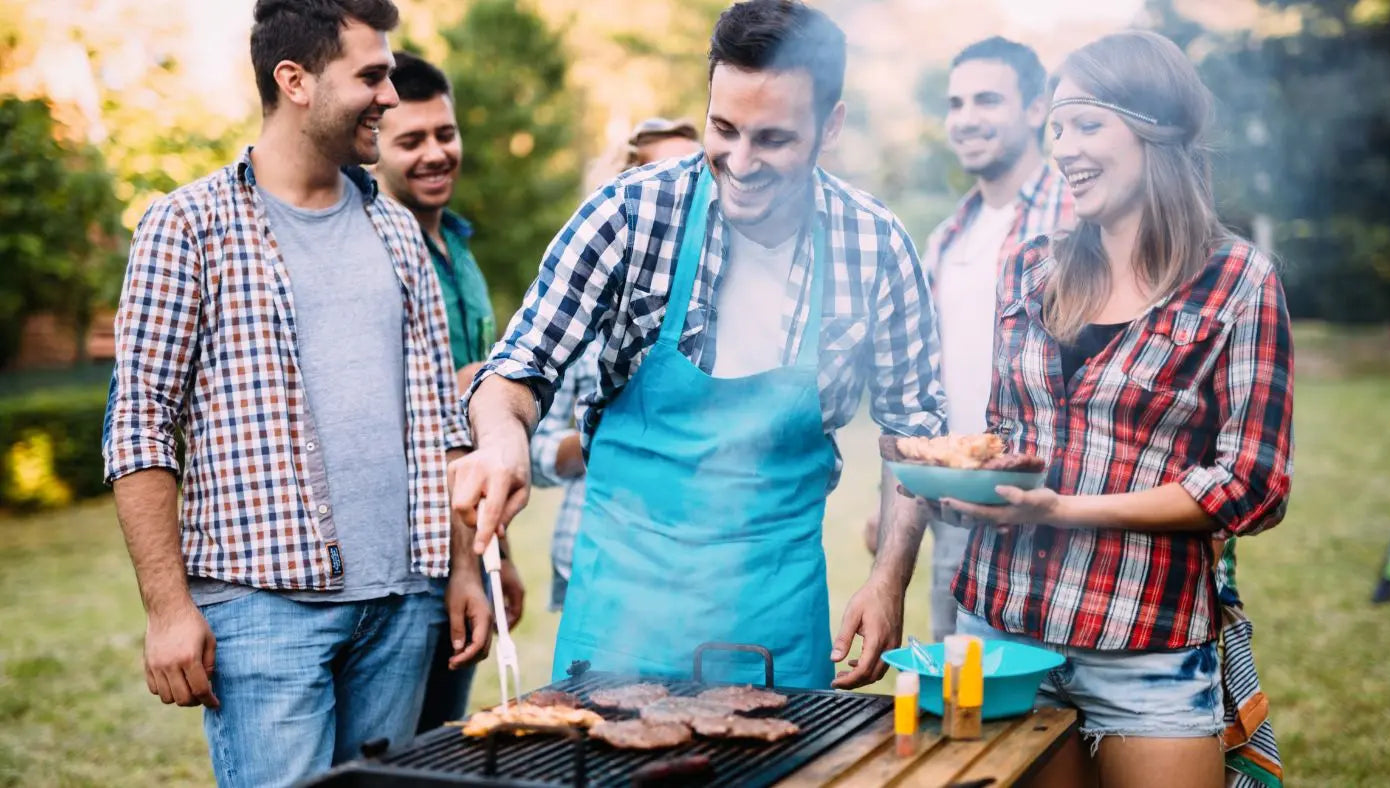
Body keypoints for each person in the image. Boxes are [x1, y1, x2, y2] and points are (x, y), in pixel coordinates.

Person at [452, 0, 946, 691]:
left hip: (773, 616)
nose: (739, 162)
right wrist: (502, 441)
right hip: (621, 608)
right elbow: (516, 371)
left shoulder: (877, 246)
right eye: (723, 129)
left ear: (830, 125)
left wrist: (889, 581)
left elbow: (913, 434)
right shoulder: (628, 213)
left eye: (772, 139)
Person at [101, 2, 493, 785]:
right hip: (262, 612)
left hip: (404, 605)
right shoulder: (187, 226)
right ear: (296, 81)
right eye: (371, 76)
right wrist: (169, 608)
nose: (388, 95)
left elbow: (438, 421)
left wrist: (460, 570)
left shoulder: (396, 230)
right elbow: (139, 423)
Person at [930, 31, 1292, 788]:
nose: (1064, 147)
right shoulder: (1031, 266)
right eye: (1057, 127)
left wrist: (1065, 509)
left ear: (1154, 128)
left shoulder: (1237, 280)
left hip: (1143, 640)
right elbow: (1012, 436)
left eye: (1086, 124)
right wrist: (966, 480)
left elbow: (1253, 486)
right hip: (997, 628)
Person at [862, 37, 1073, 644]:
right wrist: (900, 500)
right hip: (953, 509)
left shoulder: (1077, 213)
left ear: (1036, 109)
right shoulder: (950, 236)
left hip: (1049, 505)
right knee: (967, 700)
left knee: (1053, 707)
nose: (966, 119)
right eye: (956, 104)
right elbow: (925, 385)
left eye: (987, 99)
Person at [375, 49, 525, 733]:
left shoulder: (461, 254)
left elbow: (483, 427)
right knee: (387, 757)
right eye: (411, 141)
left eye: (445, 133)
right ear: (373, 141)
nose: (436, 154)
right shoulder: (370, 250)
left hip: (468, 549)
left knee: (444, 746)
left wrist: (500, 561)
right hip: (401, 561)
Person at [532, 117, 702, 614]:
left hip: (693, 567)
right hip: (591, 559)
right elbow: (531, 450)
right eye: (664, 177)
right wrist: (603, 439)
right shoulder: (580, 314)